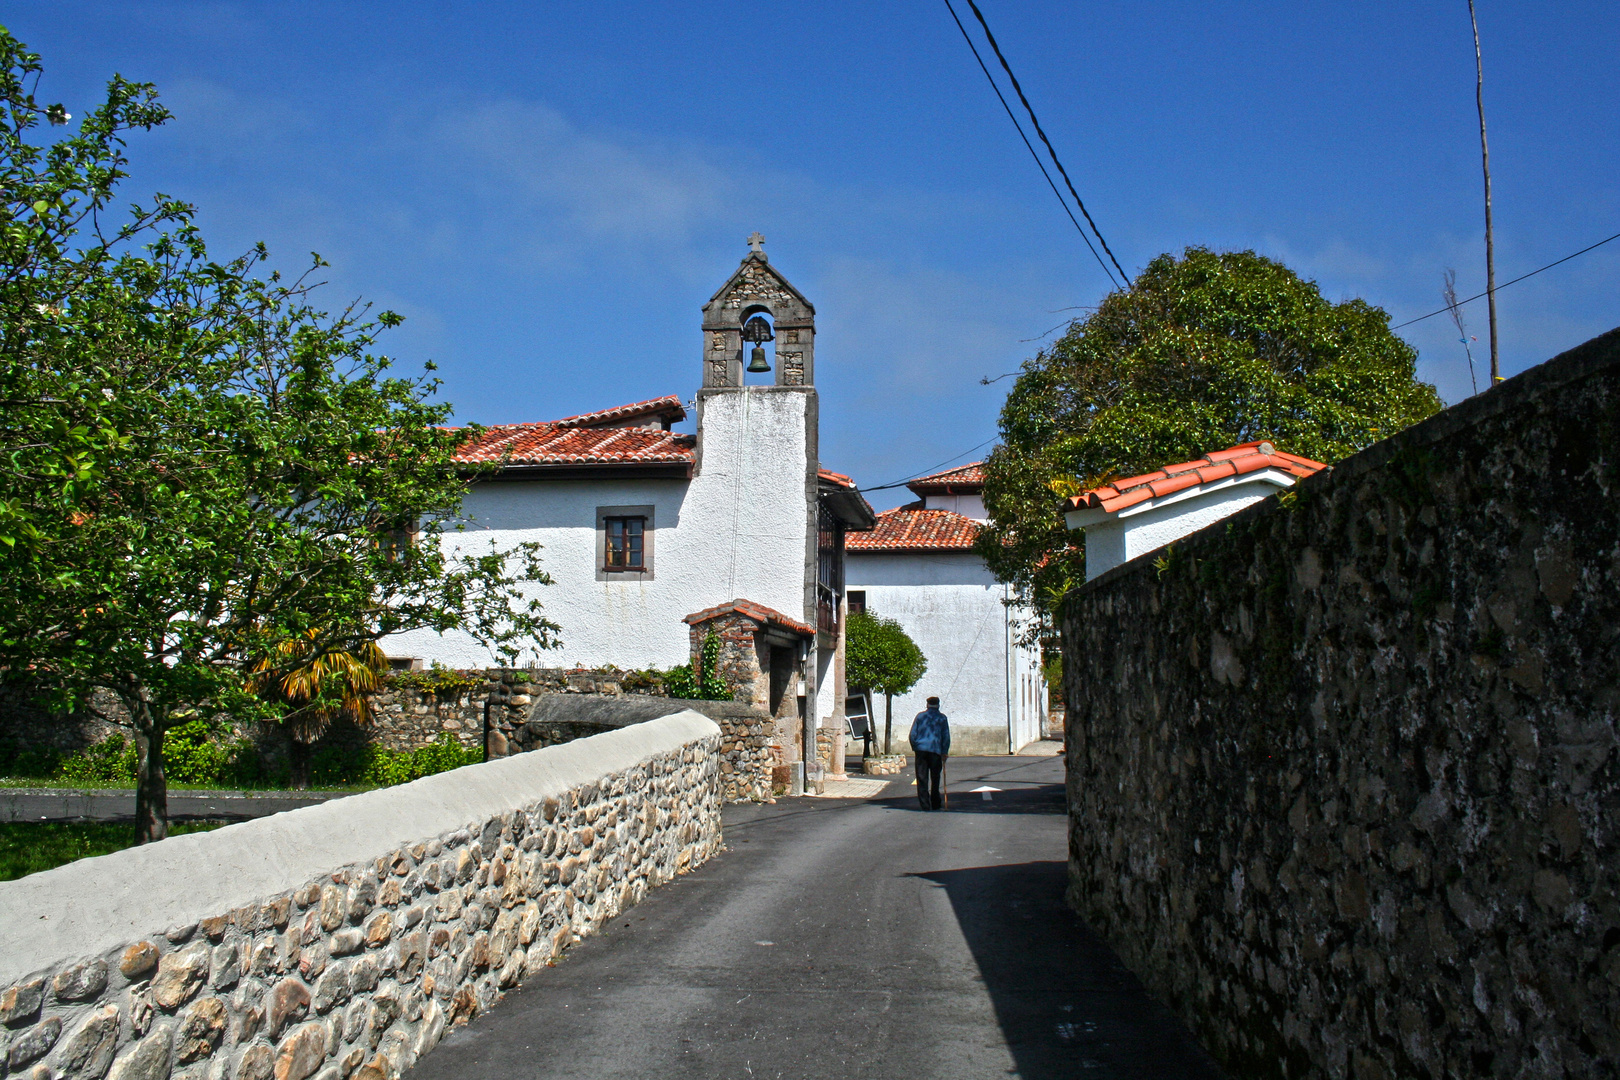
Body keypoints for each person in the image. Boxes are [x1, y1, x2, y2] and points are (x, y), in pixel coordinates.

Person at [908, 696, 950, 810]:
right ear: (938, 705)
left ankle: (925, 804)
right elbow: (945, 736)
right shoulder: (942, 718)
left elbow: (912, 735)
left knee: (922, 778)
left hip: (921, 750)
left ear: (927, 705)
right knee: (935, 777)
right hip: (935, 750)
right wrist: (944, 752)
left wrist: (915, 746)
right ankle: (936, 803)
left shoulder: (920, 717)